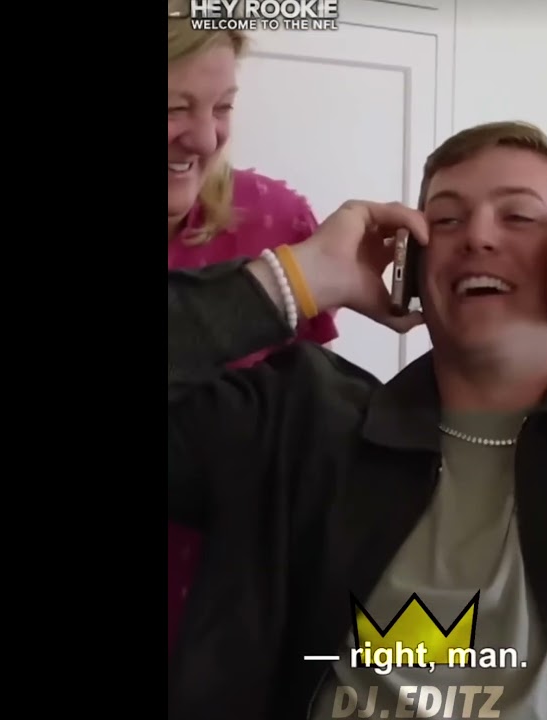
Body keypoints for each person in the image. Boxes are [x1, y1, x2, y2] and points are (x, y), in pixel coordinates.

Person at [167, 121, 547, 720]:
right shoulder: (299, 421)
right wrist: (301, 277)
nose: (476, 236)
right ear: (415, 262)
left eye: (519, 216)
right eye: (446, 219)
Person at [166, 8, 337, 660]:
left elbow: (310, 426)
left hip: (236, 627)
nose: (205, 138)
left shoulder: (275, 222)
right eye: (173, 108)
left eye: (223, 107)